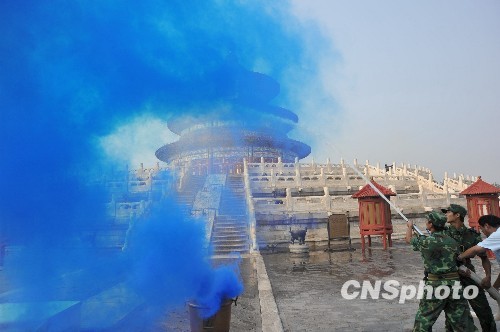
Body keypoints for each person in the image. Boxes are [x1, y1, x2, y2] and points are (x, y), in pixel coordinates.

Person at [406, 211, 477, 331]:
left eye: (427, 221)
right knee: (461, 320)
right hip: (454, 284)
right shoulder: (453, 242)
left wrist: (409, 227)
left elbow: (409, 239)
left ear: (431, 224)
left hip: (435, 285)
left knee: (424, 319)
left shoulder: (426, 242)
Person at [442, 204, 496, 332]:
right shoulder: (442, 234)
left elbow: (484, 258)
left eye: (448, 212)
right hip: (450, 277)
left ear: (457, 215)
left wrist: (487, 276)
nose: (446, 214)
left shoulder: (472, 235)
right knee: (452, 315)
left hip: (469, 275)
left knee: (484, 311)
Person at [459, 215, 500, 289]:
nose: (482, 232)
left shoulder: (497, 235)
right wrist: (495, 288)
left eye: (481, 229)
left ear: (486, 226)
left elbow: (476, 249)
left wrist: (460, 257)